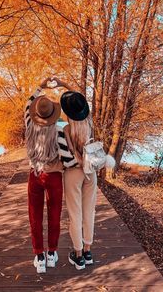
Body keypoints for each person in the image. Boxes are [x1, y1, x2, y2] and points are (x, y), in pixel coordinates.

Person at [24, 77, 77, 273]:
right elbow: (67, 159)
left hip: (35, 175)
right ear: (53, 114)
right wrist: (64, 85)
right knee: (54, 215)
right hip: (54, 177)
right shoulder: (58, 130)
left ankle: (39, 256)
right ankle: (52, 254)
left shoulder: (29, 124)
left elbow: (28, 104)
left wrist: (42, 85)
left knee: (34, 216)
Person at [59, 91, 98, 270]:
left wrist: (76, 161)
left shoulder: (65, 130)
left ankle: (79, 255)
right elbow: (79, 100)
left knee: (75, 215)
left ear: (68, 113)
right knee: (89, 212)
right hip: (91, 171)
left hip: (73, 173)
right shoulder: (89, 124)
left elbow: (65, 159)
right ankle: (88, 251)